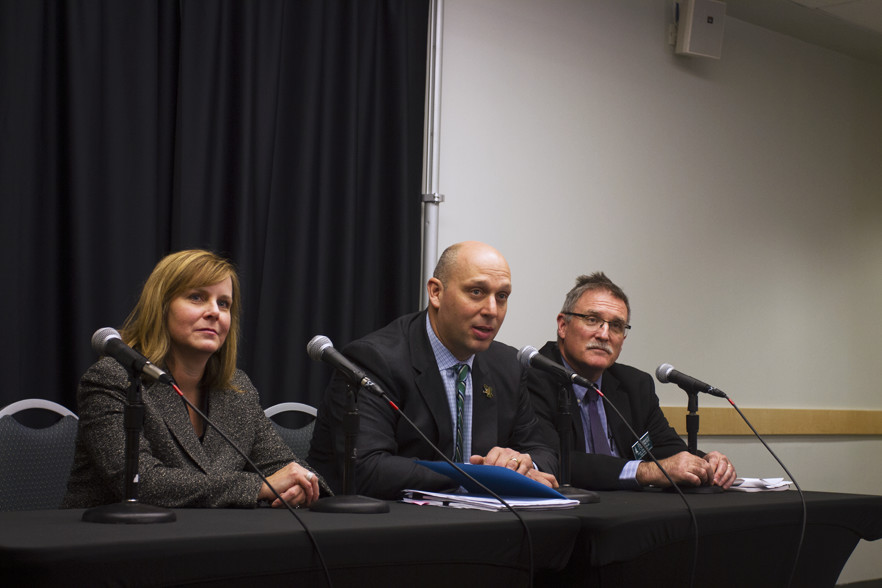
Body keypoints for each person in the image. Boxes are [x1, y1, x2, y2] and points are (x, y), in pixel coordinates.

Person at [63, 249, 326, 509]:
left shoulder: (237, 390)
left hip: (204, 541)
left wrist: (301, 485)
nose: (215, 312)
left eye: (224, 303)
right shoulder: (113, 378)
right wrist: (260, 487)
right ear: (161, 307)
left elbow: (282, 465)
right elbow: (141, 482)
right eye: (197, 297)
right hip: (110, 542)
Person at [308, 241, 559, 500]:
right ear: (436, 292)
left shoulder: (508, 365)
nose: (491, 310)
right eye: (476, 292)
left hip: (481, 525)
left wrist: (523, 465)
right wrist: (481, 477)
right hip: (382, 526)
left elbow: (544, 452)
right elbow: (367, 469)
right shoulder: (374, 360)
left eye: (502, 296)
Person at [527, 272, 737, 491]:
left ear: (623, 338)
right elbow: (552, 459)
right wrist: (646, 472)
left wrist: (705, 462)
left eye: (616, 326)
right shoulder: (534, 377)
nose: (604, 334)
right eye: (592, 320)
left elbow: (664, 447)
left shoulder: (635, 385)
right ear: (563, 325)